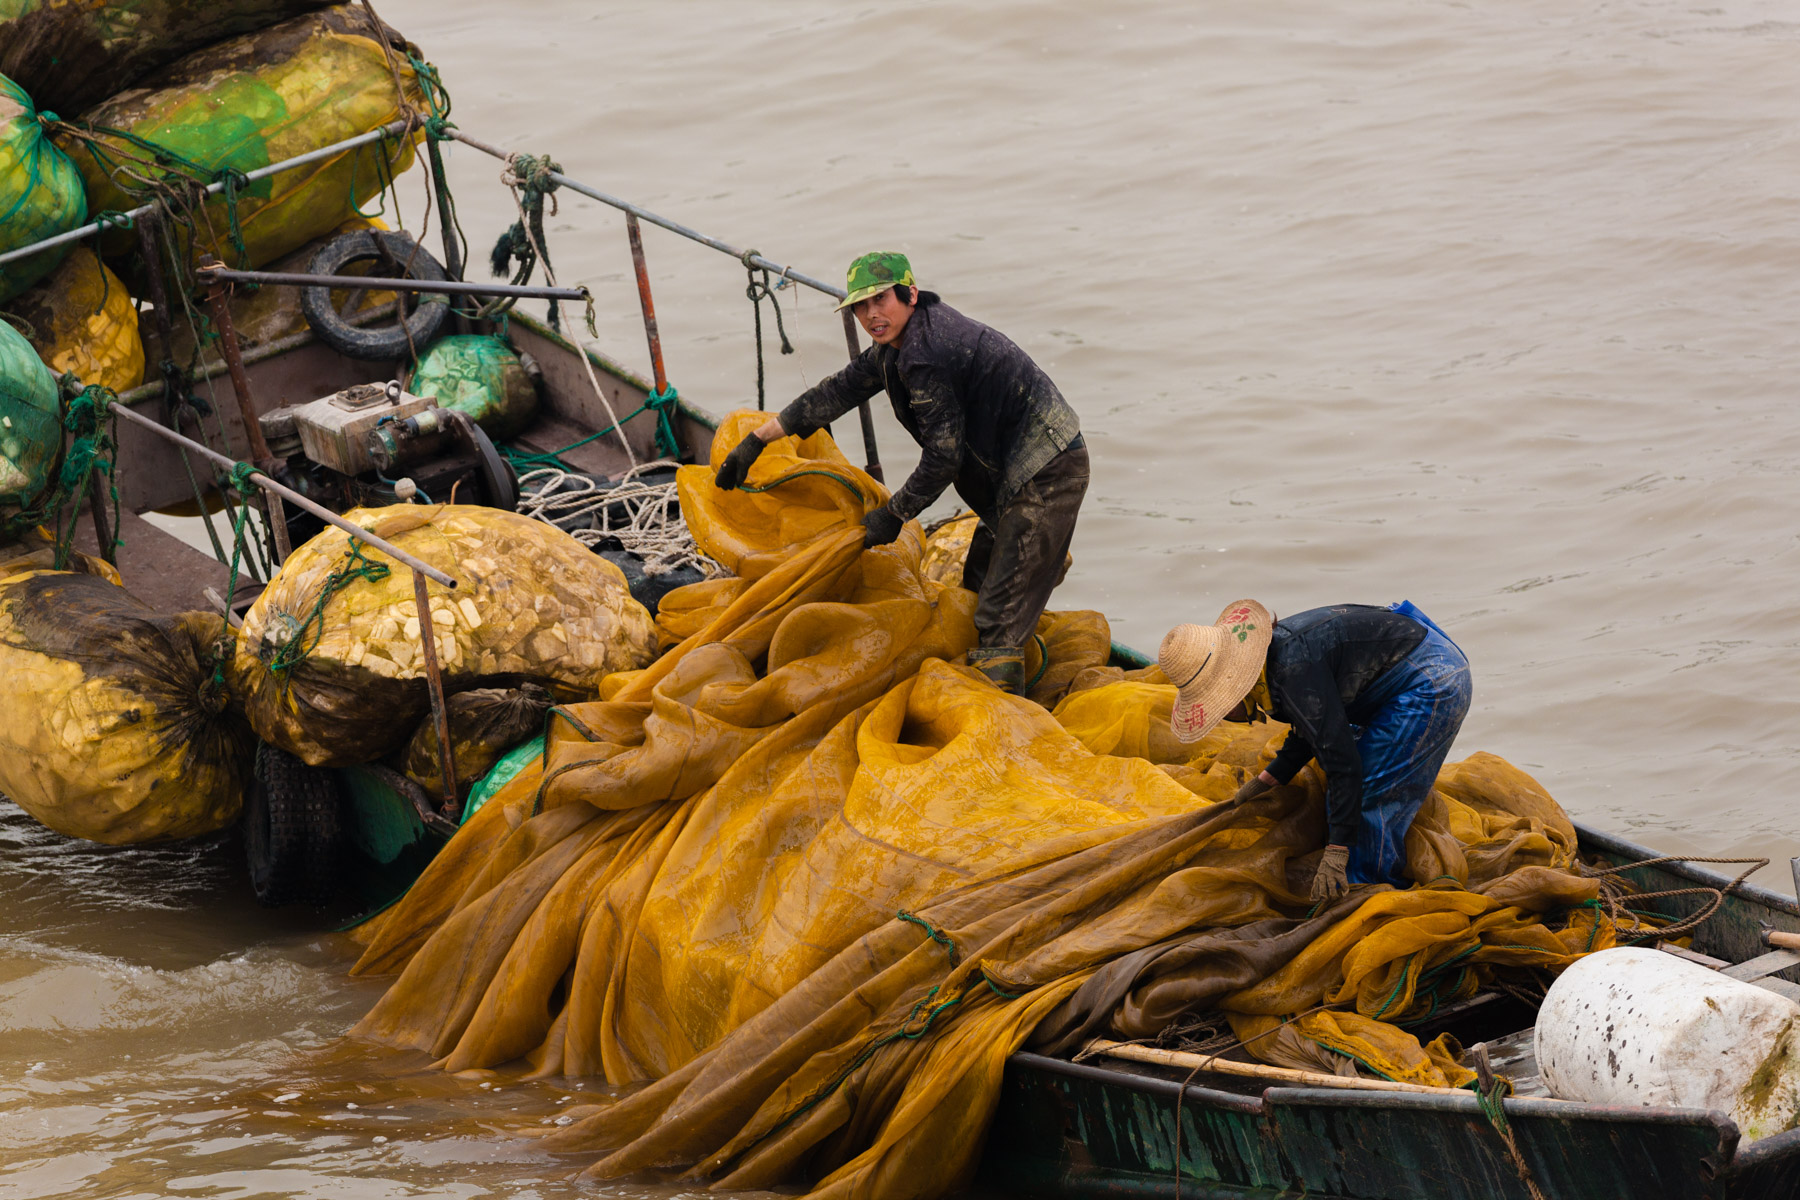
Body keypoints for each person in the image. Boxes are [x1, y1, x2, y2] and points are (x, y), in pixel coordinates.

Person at [713, 251, 1088, 694]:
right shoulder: (896, 347)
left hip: (1047, 469)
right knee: (978, 581)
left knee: (1000, 613)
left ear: (910, 295)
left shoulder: (928, 353)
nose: (871, 314)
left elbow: (943, 458)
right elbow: (838, 390)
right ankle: (1033, 572)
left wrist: (894, 514)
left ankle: (1000, 710)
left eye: (881, 300)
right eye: (860, 306)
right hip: (1006, 473)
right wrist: (759, 439)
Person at [1158, 599, 1472, 901]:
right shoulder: (1274, 661)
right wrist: (1271, 777)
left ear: (1231, 688)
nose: (1222, 716)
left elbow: (1343, 763)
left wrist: (1337, 851)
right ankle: (1365, 869)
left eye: (1218, 708)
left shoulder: (1292, 672)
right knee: (1352, 780)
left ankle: (1370, 888)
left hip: (1430, 677)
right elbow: (1311, 726)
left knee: (1370, 787)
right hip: (1400, 667)